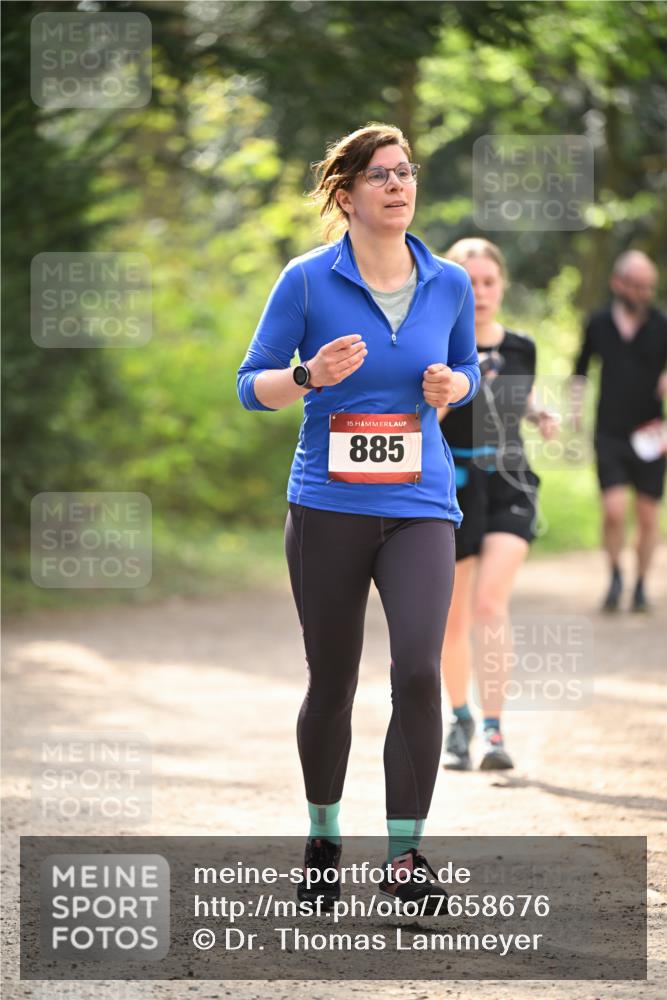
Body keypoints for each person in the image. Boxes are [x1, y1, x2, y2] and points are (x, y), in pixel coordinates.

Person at [237, 124, 480, 912]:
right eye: (379, 175)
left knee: (416, 672)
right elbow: (251, 386)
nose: (397, 185)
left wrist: (455, 390)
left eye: (405, 172)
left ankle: (405, 859)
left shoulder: (445, 282)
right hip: (327, 508)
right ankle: (322, 837)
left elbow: (469, 370)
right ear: (345, 197)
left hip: (419, 506)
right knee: (332, 682)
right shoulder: (307, 282)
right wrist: (305, 375)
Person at [437, 238, 558, 772]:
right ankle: (458, 718)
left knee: (490, 604)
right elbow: (427, 419)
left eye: (489, 282)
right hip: (455, 484)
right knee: (453, 613)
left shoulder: (523, 346)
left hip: (510, 479)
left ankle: (494, 728)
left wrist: (540, 413)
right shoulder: (436, 344)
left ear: (501, 284)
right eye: (469, 282)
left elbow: (518, 394)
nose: (480, 292)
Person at [572, 250, 667, 613]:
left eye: (649, 287)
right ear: (618, 283)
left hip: (651, 433)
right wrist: (576, 412)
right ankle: (614, 575)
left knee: (647, 515)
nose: (644, 293)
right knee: (613, 511)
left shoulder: (661, 323)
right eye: (637, 286)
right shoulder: (598, 323)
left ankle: (641, 585)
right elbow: (579, 369)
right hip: (609, 432)